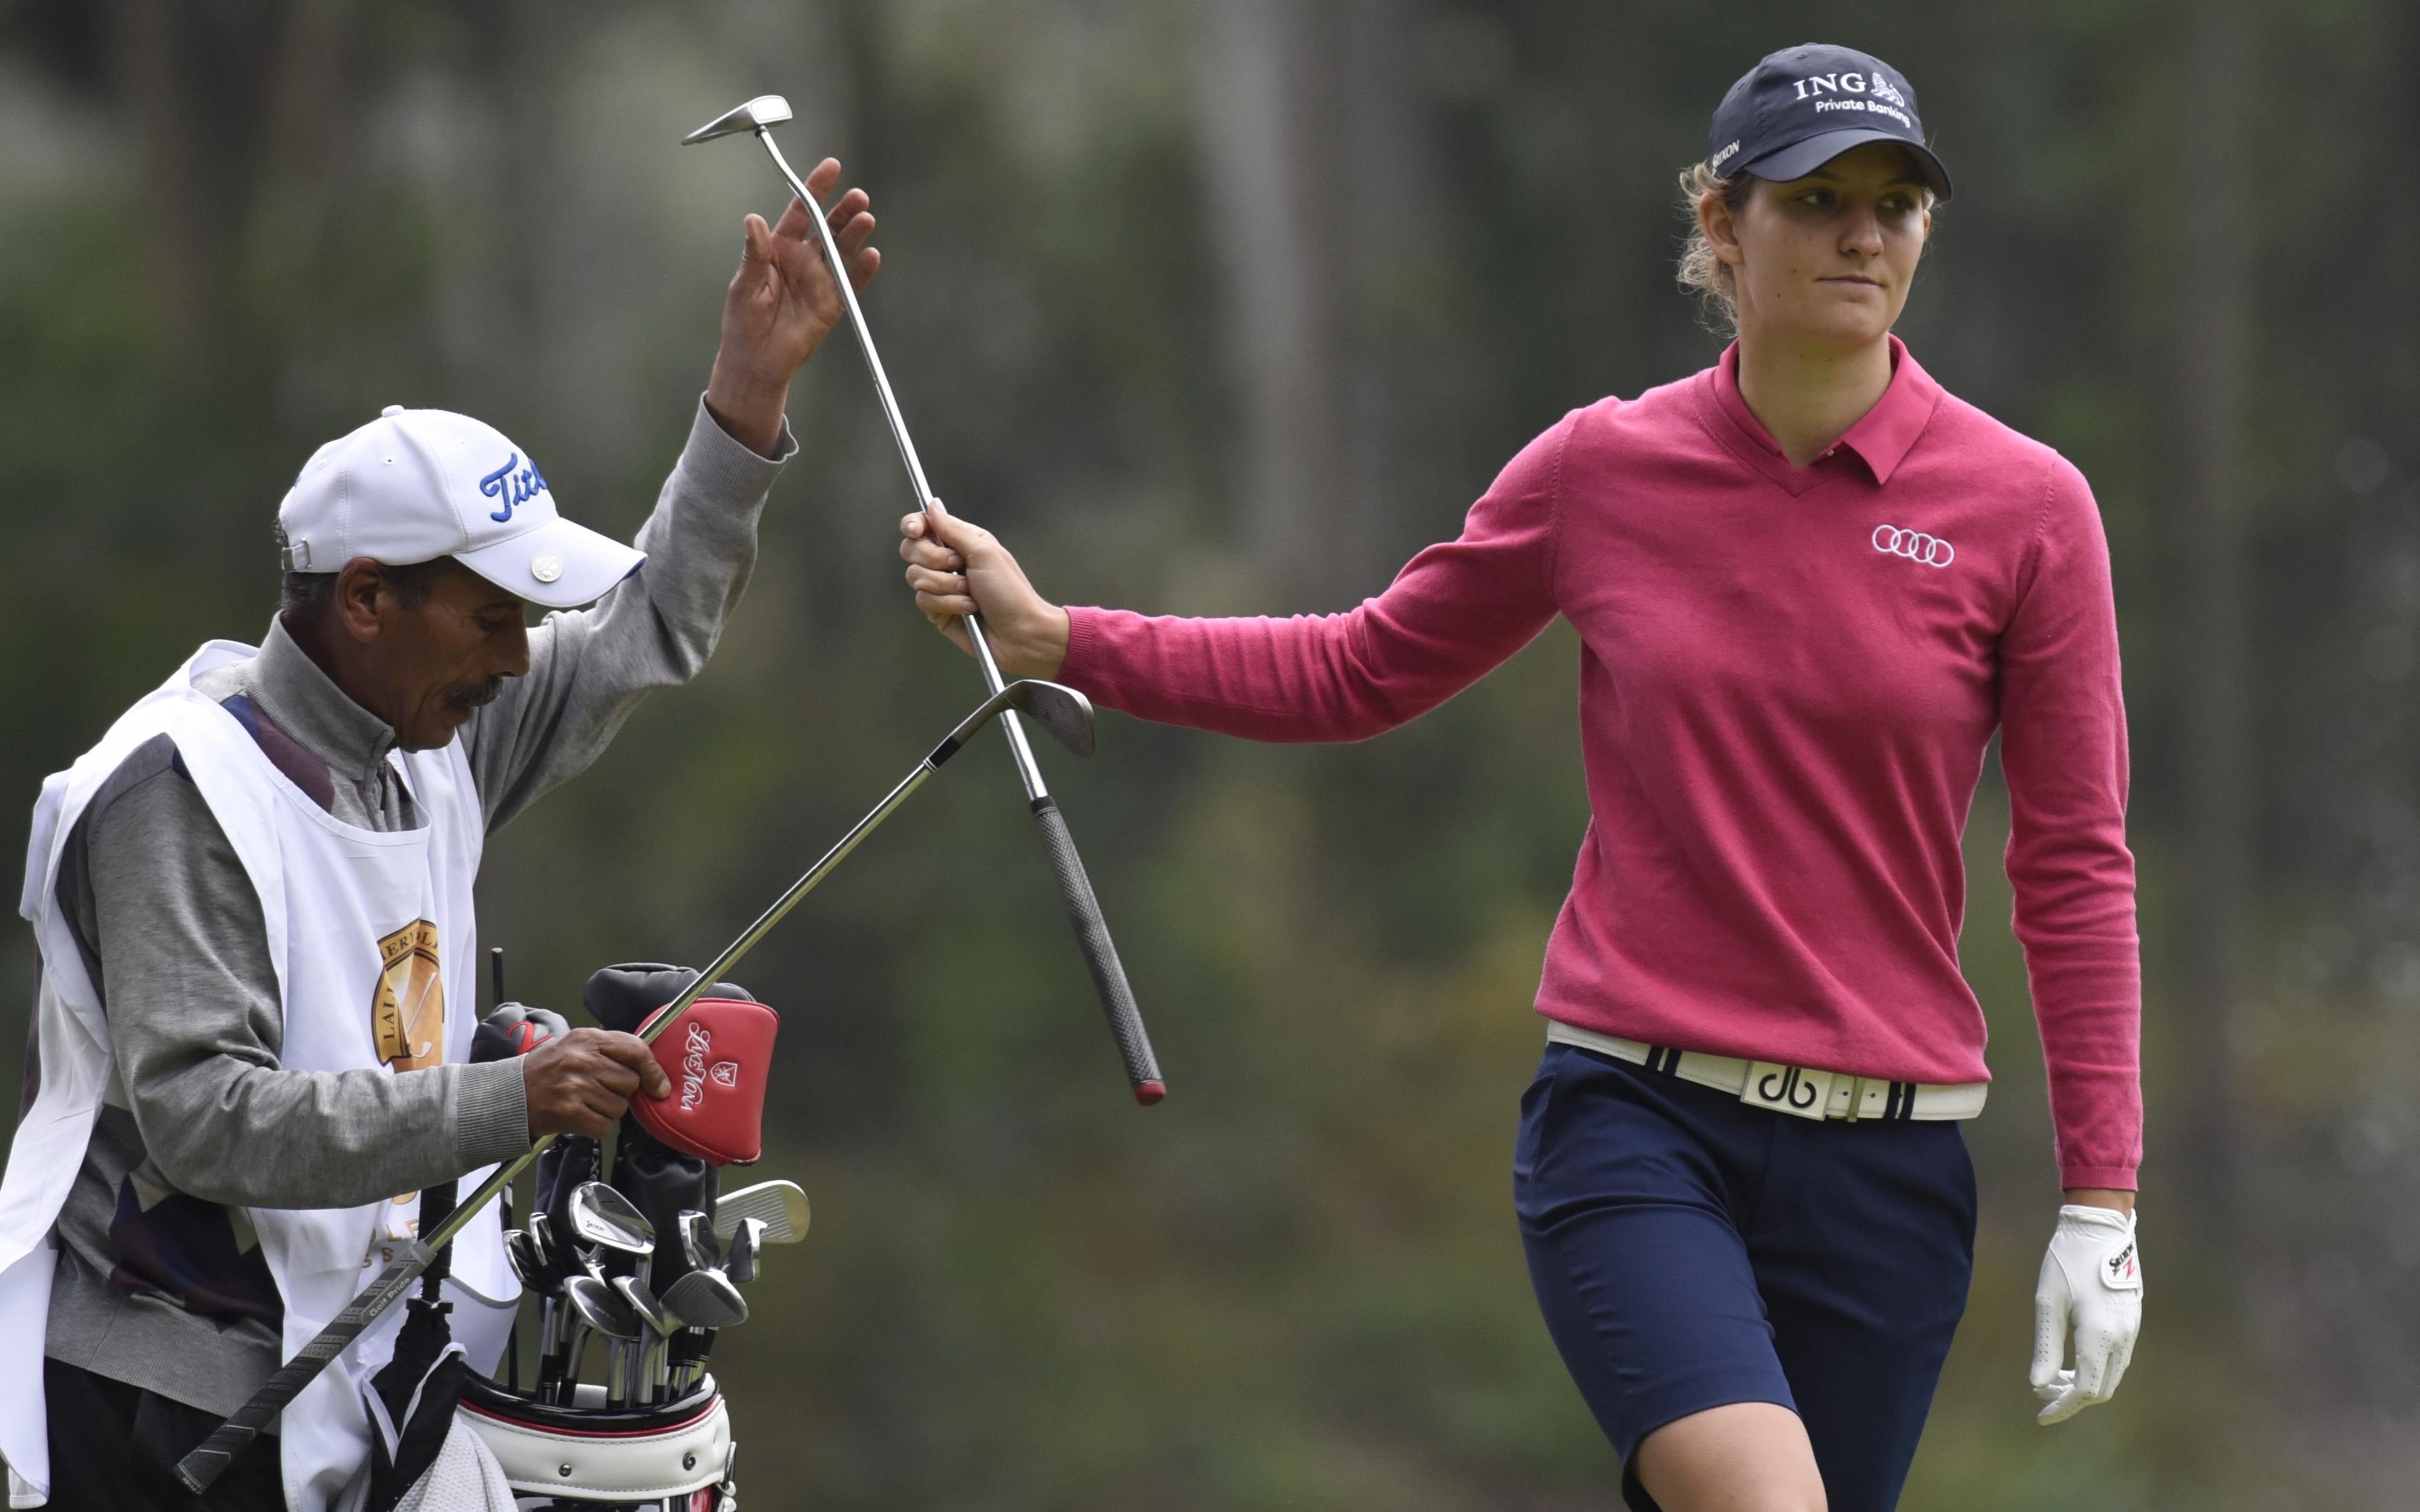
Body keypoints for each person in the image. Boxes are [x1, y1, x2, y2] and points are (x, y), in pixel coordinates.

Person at [900, 42, 2143, 1512]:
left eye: (1894, 201)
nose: (1861, 234)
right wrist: (1066, 638)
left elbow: (2071, 861)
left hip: (1888, 1174)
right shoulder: (1600, 472)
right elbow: (1358, 668)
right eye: (1815, 200)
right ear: (1723, 227)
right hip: (1639, 1125)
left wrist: (2100, 1196)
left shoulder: (2026, 510)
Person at [0, 162, 882, 1512]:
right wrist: (508, 1101)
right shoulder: (178, 790)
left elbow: (646, 625)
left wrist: (746, 399)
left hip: (335, 1366)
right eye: (492, 618)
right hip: (158, 1408)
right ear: (365, 596)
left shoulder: (429, 736)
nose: (522, 657)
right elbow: (202, 1119)